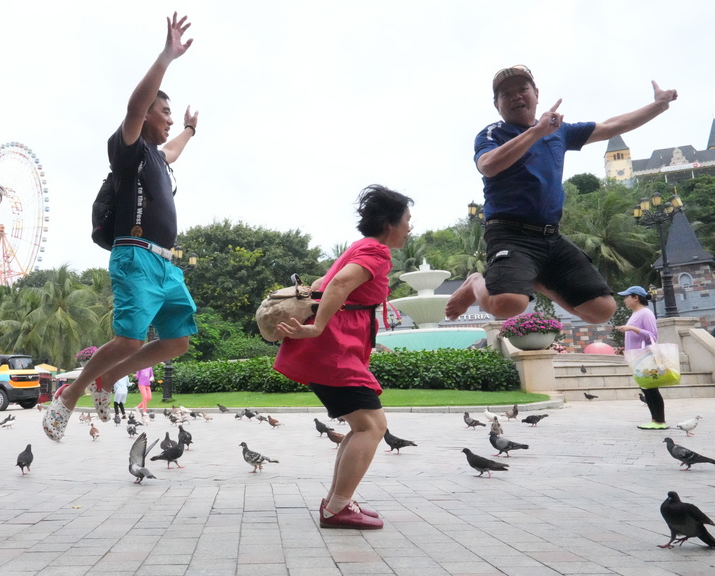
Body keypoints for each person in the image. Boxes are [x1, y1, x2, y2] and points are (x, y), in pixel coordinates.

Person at [42, 13, 199, 442]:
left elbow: (174, 150)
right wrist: (166, 57)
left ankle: (107, 379)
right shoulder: (129, 151)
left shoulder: (158, 158)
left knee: (178, 341)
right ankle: (70, 394)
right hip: (135, 256)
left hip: (166, 266)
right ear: (146, 115)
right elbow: (134, 108)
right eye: (164, 112)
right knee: (129, 340)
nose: (169, 120)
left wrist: (190, 129)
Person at [445, 65, 679, 325]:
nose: (515, 96)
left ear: (536, 94)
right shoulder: (493, 133)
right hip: (510, 233)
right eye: (505, 94)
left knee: (602, 310)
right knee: (507, 305)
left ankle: (539, 278)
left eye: (522, 89)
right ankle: (475, 282)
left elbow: (611, 126)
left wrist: (658, 105)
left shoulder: (560, 131)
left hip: (550, 236)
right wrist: (537, 132)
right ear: (496, 104)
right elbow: (488, 165)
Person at [274, 185, 413, 530]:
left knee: (363, 426)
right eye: (407, 220)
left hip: (332, 352)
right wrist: (318, 326)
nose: (410, 228)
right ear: (390, 224)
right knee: (372, 426)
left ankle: (337, 503)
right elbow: (337, 285)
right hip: (332, 352)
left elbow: (324, 280)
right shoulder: (376, 252)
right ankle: (337, 509)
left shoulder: (359, 247)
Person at [615, 286, 665, 429]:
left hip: (645, 357)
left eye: (627, 297)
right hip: (637, 358)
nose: (624, 300)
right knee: (646, 389)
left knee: (651, 389)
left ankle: (659, 421)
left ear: (636, 297)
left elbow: (652, 335)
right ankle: (654, 420)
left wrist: (632, 328)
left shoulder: (645, 313)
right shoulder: (636, 314)